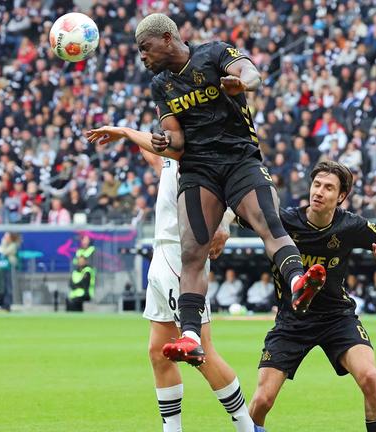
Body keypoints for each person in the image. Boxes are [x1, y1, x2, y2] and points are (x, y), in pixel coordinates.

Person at [88, 13, 325, 367]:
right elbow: (178, 142)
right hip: (199, 169)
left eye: (145, 48)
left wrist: (241, 83)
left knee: (268, 222)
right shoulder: (161, 85)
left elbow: (253, 74)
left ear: (167, 39)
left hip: (239, 158)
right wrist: (164, 140)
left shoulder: (214, 53)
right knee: (192, 251)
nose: (142, 56)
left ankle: (296, 284)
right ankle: (190, 336)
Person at [85, 125, 256, 431]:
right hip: (161, 253)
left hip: (184, 255)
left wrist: (226, 222)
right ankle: (172, 429)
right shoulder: (170, 156)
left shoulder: (207, 155)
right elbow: (149, 146)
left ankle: (246, 425)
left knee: (201, 352)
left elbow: (241, 190)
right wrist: (122, 132)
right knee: (157, 351)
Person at [248, 161, 376, 432]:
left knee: (371, 378)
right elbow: (240, 210)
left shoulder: (351, 225)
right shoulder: (284, 221)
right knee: (262, 399)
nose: (319, 192)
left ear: (341, 196)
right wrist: (223, 226)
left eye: (329, 188)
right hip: (292, 321)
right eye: (317, 184)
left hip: (337, 318)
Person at [0, 232, 21, 310]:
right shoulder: (8, 245)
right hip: (5, 267)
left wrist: (3, 243)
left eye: (6, 237)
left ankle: (8, 304)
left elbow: (4, 252)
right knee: (4, 286)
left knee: (9, 286)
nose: (5, 238)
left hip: (10, 268)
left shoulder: (13, 245)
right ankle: (5, 303)